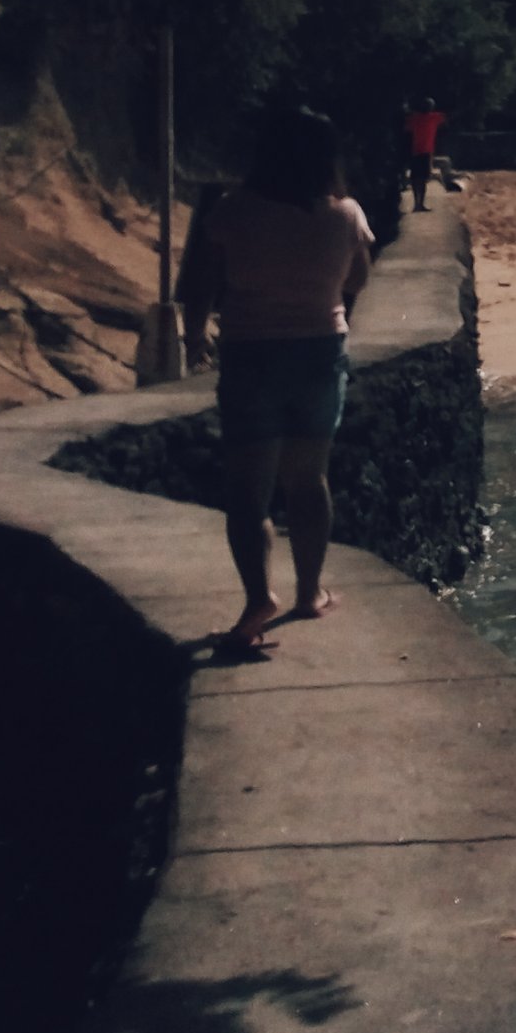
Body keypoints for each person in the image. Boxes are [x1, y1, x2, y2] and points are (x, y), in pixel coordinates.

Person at [183, 107, 374, 650]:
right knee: (308, 480)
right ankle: (308, 593)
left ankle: (257, 599)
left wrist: (194, 337)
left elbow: (201, 284)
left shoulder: (233, 210)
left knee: (250, 490)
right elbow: (358, 280)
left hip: (251, 353)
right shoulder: (345, 214)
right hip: (319, 353)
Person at [402, 93, 448, 213]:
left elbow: (406, 128)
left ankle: (417, 204)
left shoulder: (414, 118)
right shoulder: (435, 117)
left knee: (415, 179)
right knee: (422, 179)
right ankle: (420, 204)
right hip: (426, 152)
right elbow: (447, 117)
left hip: (415, 151)